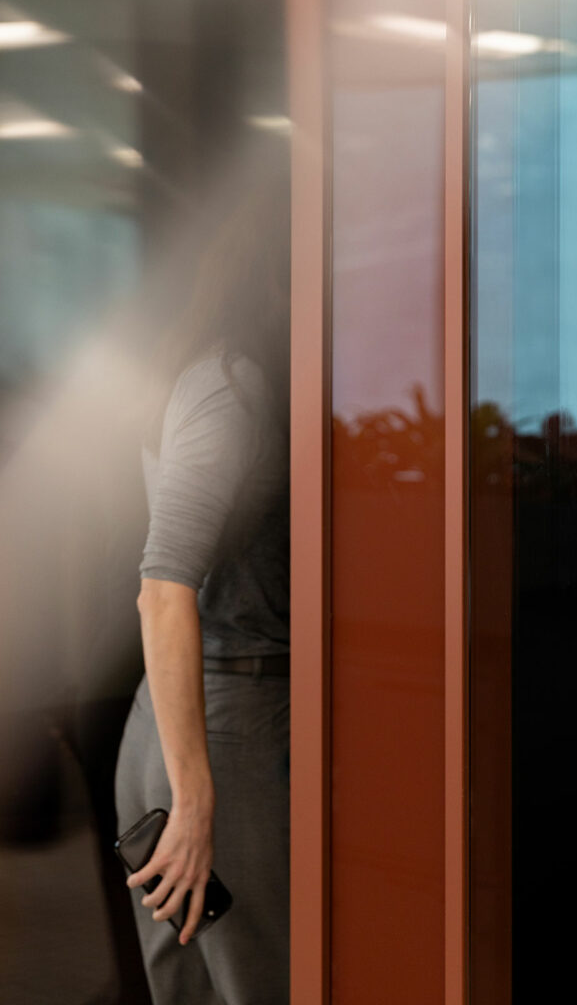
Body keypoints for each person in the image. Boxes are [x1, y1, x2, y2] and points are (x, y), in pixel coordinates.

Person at [114, 191, 290, 1005]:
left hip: (185, 713)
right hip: (220, 727)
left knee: (189, 988)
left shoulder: (218, 375)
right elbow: (161, 589)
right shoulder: (230, 390)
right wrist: (194, 801)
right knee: (257, 983)